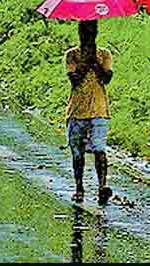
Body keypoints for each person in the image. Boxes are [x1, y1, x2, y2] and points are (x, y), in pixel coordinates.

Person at [65, 19, 114, 205]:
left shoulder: (104, 54)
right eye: (85, 33)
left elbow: (107, 77)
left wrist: (95, 63)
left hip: (99, 110)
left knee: (99, 148)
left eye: (91, 32)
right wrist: (85, 62)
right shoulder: (71, 55)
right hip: (77, 111)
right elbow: (74, 79)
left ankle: (102, 187)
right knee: (77, 153)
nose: (88, 37)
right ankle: (79, 187)